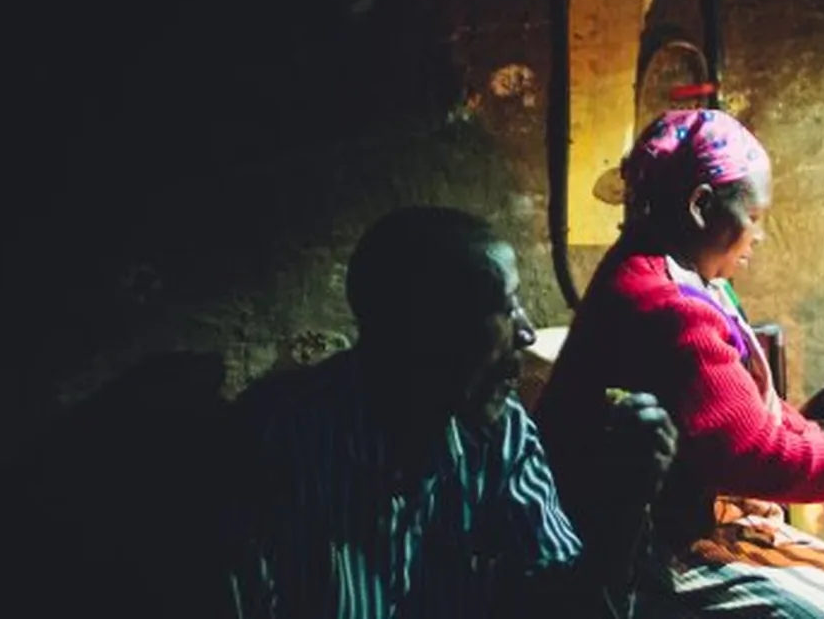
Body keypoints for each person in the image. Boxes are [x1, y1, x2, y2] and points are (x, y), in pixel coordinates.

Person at [534, 109, 824, 619]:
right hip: (624, 545)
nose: (759, 236)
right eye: (755, 216)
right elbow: (760, 455)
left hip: (658, 517)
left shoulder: (670, 270)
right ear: (701, 205)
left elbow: (749, 411)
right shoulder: (665, 305)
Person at [227, 206, 676, 619]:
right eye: (504, 307)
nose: (525, 331)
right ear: (424, 332)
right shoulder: (279, 444)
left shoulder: (502, 432)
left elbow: (569, 605)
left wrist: (623, 508)